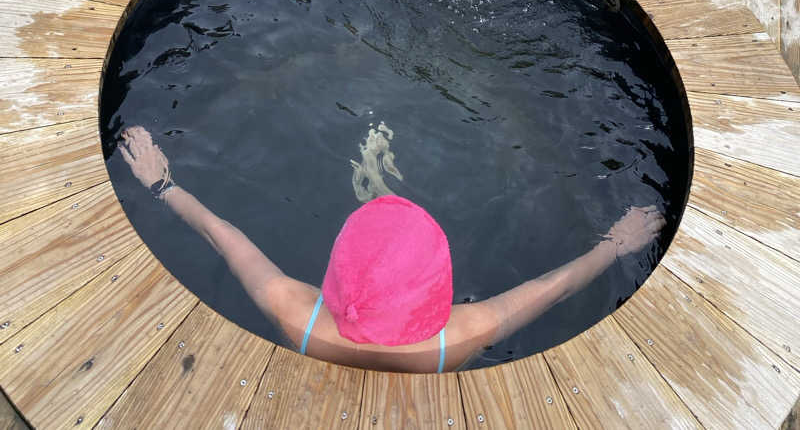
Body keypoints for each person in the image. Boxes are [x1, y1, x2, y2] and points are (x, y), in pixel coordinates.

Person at [120, 126, 665, 373]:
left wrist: (161, 184)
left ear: (334, 282)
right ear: (438, 290)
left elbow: (224, 237)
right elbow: (553, 285)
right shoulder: (464, 334)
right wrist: (618, 243)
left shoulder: (296, 315)